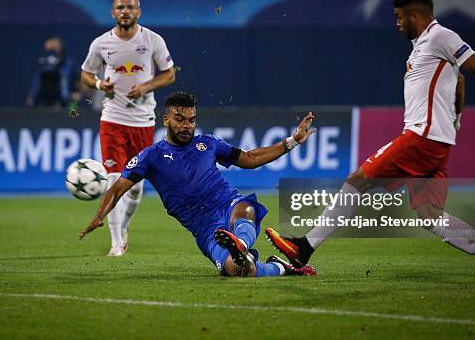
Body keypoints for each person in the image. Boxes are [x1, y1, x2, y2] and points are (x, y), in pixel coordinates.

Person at [266, 0, 475, 288]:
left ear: (414, 14)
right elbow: (460, 80)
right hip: (435, 142)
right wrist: (455, 120)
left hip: (421, 137)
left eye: (400, 17)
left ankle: (303, 248)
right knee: (431, 216)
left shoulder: (440, 36)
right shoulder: (422, 47)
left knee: (358, 179)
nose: (397, 23)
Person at [79, 91, 317, 277]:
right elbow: (118, 187)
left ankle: (240, 245)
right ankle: (280, 268)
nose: (186, 125)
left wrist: (293, 141)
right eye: (180, 119)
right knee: (240, 270)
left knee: (246, 209)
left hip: (227, 203)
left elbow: (251, 159)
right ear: (166, 119)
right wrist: (99, 216)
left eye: (191, 120)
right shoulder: (150, 156)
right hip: (204, 228)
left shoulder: (208, 143)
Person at [80, 0, 176, 257]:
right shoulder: (101, 44)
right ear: (113, 13)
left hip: (143, 121)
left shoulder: (153, 40)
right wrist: (100, 83)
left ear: (138, 12)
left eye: (130, 7)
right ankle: (115, 244)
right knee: (113, 179)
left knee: (134, 188)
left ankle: (122, 228)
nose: (125, 12)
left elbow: (169, 74)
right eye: (120, 8)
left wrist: (147, 86)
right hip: (112, 119)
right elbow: (86, 74)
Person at [26, 37, 80, 108]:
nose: (52, 53)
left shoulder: (69, 65)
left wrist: (73, 105)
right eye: (49, 50)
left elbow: (77, 87)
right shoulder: (42, 66)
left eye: (54, 48)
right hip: (43, 105)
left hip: (65, 106)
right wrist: (32, 96)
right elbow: (35, 88)